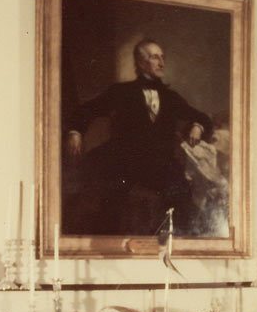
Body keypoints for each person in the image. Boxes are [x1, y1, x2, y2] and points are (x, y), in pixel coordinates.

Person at [63, 39, 221, 236]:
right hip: (125, 160)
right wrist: (75, 132)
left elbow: (201, 117)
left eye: (162, 57)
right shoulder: (121, 92)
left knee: (182, 197)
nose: (161, 63)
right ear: (140, 62)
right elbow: (86, 110)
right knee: (107, 201)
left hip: (160, 163)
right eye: (155, 57)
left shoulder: (170, 97)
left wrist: (197, 126)